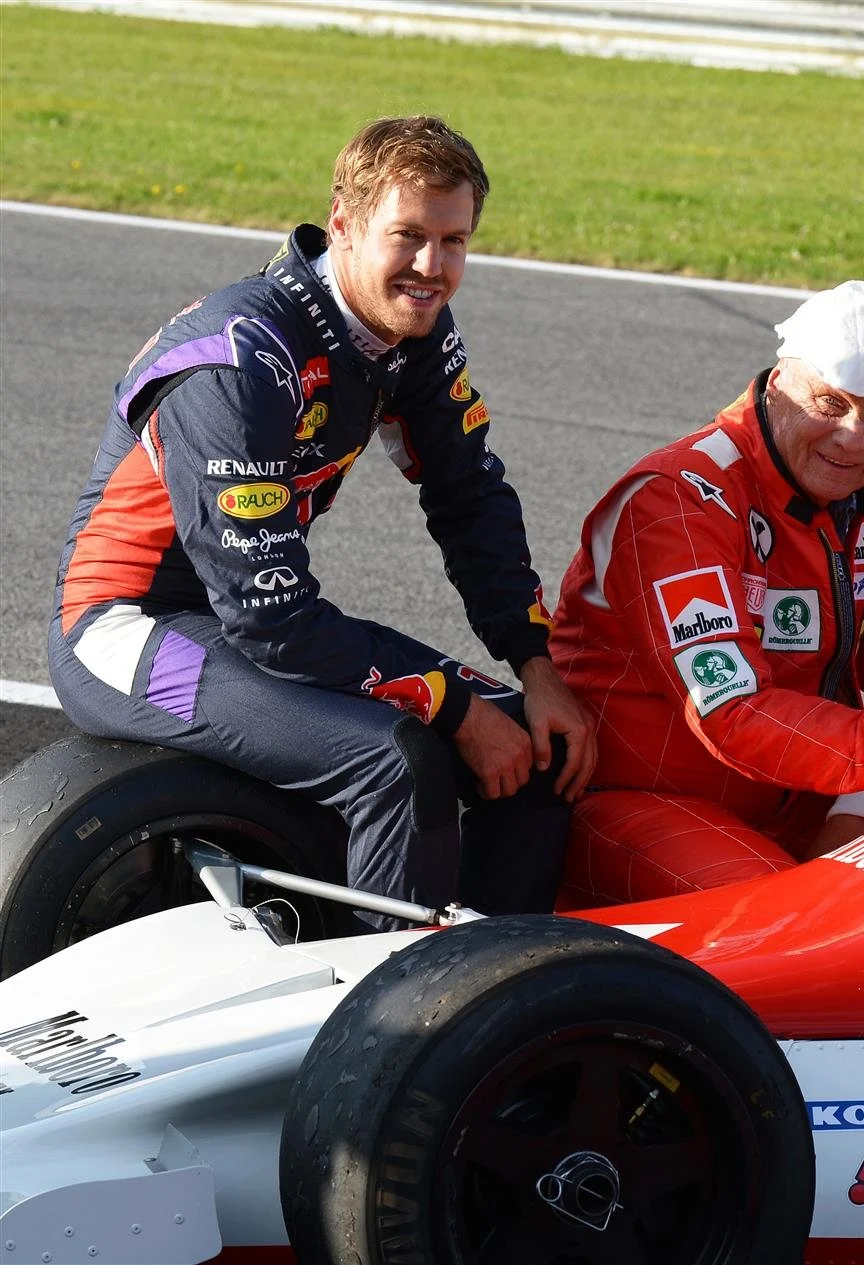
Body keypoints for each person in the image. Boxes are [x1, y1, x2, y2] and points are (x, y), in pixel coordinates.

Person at [49, 116, 595, 929]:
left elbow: (469, 493)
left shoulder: (407, 331)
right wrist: (449, 705)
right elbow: (271, 618)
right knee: (396, 759)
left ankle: (482, 998)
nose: (432, 268)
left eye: (455, 241)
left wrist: (536, 662)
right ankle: (379, 1025)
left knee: (538, 748)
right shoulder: (240, 354)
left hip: (248, 622)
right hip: (127, 633)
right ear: (342, 225)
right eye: (408, 236)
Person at [551, 280, 864, 902]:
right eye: (829, 403)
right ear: (778, 383)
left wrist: (858, 818)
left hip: (803, 804)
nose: (852, 437)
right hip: (640, 799)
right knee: (802, 928)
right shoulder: (677, 498)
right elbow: (728, 710)